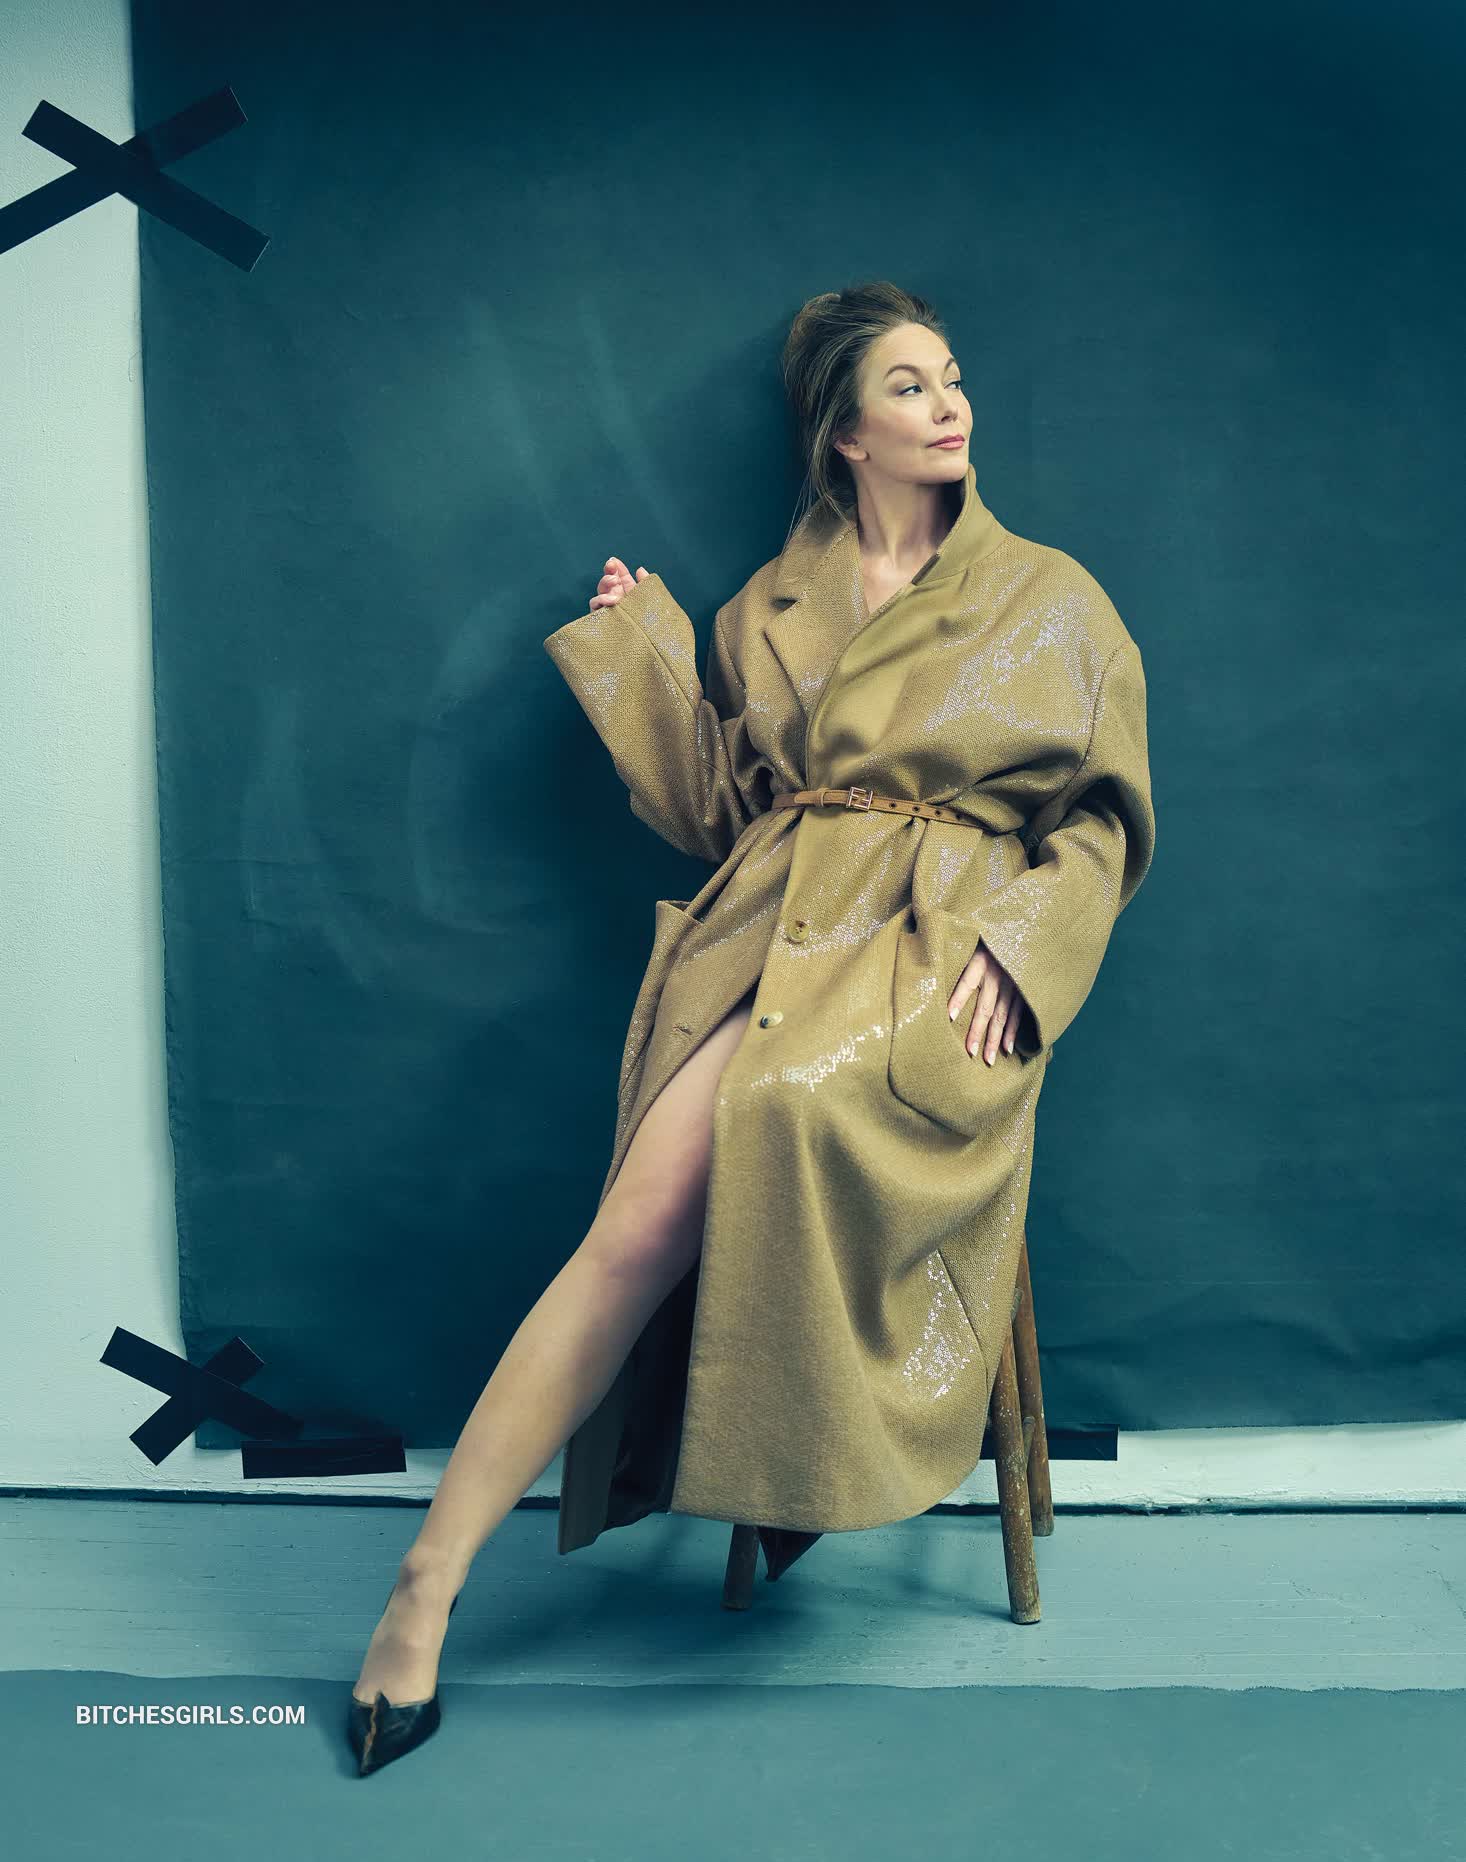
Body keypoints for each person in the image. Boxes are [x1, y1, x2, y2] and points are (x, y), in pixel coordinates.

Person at [348, 281, 1155, 1775]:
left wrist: (1027, 951)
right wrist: (641, 656)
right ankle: (425, 1586)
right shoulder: (763, 610)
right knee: (636, 1223)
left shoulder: (1052, 599)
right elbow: (719, 809)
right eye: (909, 387)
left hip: (934, 948)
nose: (949, 406)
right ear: (845, 435)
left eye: (951, 378)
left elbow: (1099, 826)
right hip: (769, 926)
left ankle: (798, 1472)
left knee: (795, 1113)